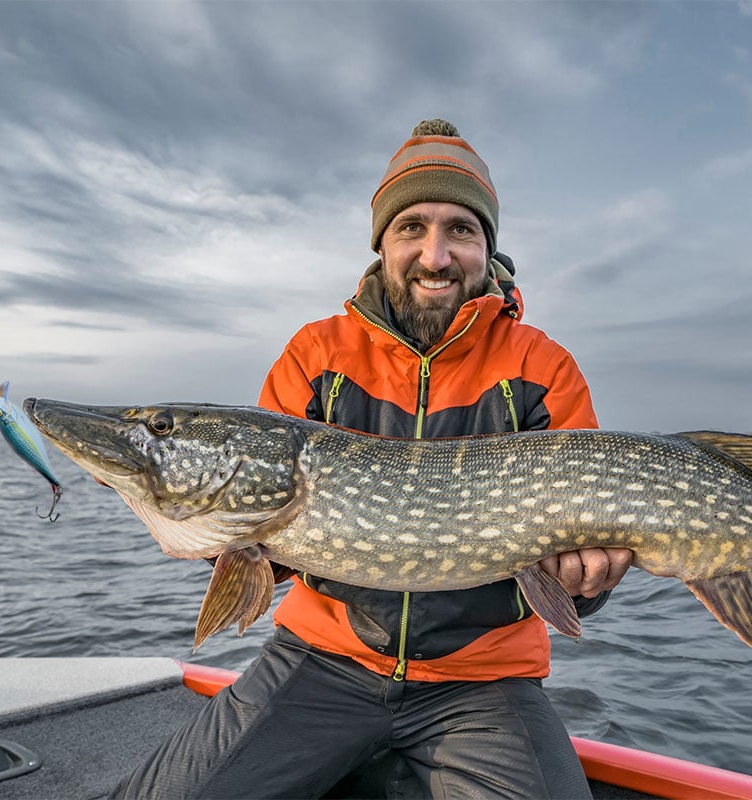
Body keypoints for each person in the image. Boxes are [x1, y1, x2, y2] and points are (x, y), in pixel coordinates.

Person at [109, 119, 633, 799]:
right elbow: (262, 542)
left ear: (487, 247)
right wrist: (211, 531)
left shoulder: (541, 367)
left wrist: (589, 579)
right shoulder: (315, 355)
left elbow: (577, 580)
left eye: (461, 231)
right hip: (319, 663)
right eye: (412, 227)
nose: (436, 255)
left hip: (486, 684)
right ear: (382, 243)